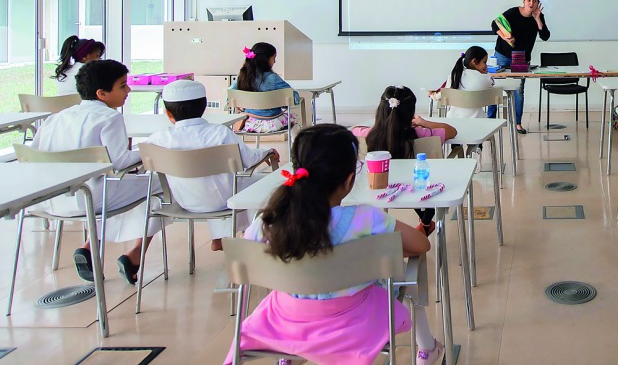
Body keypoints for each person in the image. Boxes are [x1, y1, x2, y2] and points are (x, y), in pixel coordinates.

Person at [227, 126, 444, 365]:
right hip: (352, 321)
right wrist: (379, 248)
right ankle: (426, 347)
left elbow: (248, 257)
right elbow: (421, 244)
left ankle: (289, 356)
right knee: (405, 275)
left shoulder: (267, 221)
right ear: (349, 180)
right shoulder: (365, 219)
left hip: (285, 320)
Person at [33, 59, 161, 285]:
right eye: (123, 86)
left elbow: (33, 155)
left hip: (51, 199)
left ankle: (90, 247)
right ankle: (135, 254)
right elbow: (119, 162)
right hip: (91, 198)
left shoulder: (56, 118)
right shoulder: (109, 117)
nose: (129, 90)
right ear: (102, 93)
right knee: (159, 184)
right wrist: (149, 149)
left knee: (125, 189)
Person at [145, 79, 279, 251]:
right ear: (204, 107)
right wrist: (267, 151)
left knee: (209, 182)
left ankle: (221, 238)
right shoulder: (220, 133)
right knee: (267, 184)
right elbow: (249, 160)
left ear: (168, 114)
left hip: (183, 201)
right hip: (226, 200)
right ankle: (255, 242)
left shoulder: (159, 138)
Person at [353, 86, 457, 236]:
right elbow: (452, 131)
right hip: (417, 190)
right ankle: (426, 221)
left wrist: (379, 126)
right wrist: (424, 122)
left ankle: (426, 223)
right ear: (410, 113)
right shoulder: (423, 134)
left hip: (377, 190)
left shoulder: (365, 135)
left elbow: (353, 129)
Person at [491, 0, 550, 134]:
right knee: (494, 87)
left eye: (535, 1)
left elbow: (545, 36)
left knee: (519, 91)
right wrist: (504, 37)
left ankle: (517, 123)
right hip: (503, 54)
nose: (531, 3)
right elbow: (495, 24)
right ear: (524, 1)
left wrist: (537, 19)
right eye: (529, 0)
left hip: (521, 58)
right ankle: (490, 121)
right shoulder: (513, 12)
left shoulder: (538, 16)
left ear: (538, 4)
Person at [230, 42, 302, 134]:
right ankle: (295, 147)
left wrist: (239, 105)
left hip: (248, 123)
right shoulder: (273, 78)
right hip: (272, 123)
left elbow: (230, 97)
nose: (275, 61)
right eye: (274, 58)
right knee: (295, 123)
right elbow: (292, 97)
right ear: (265, 59)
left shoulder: (242, 76)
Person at [446, 45, 494, 118]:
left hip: (453, 120)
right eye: (484, 62)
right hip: (478, 122)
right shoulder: (484, 78)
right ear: (474, 61)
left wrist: (434, 95)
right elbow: (491, 84)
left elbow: (446, 92)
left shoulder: (454, 75)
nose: (486, 66)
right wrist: (486, 73)